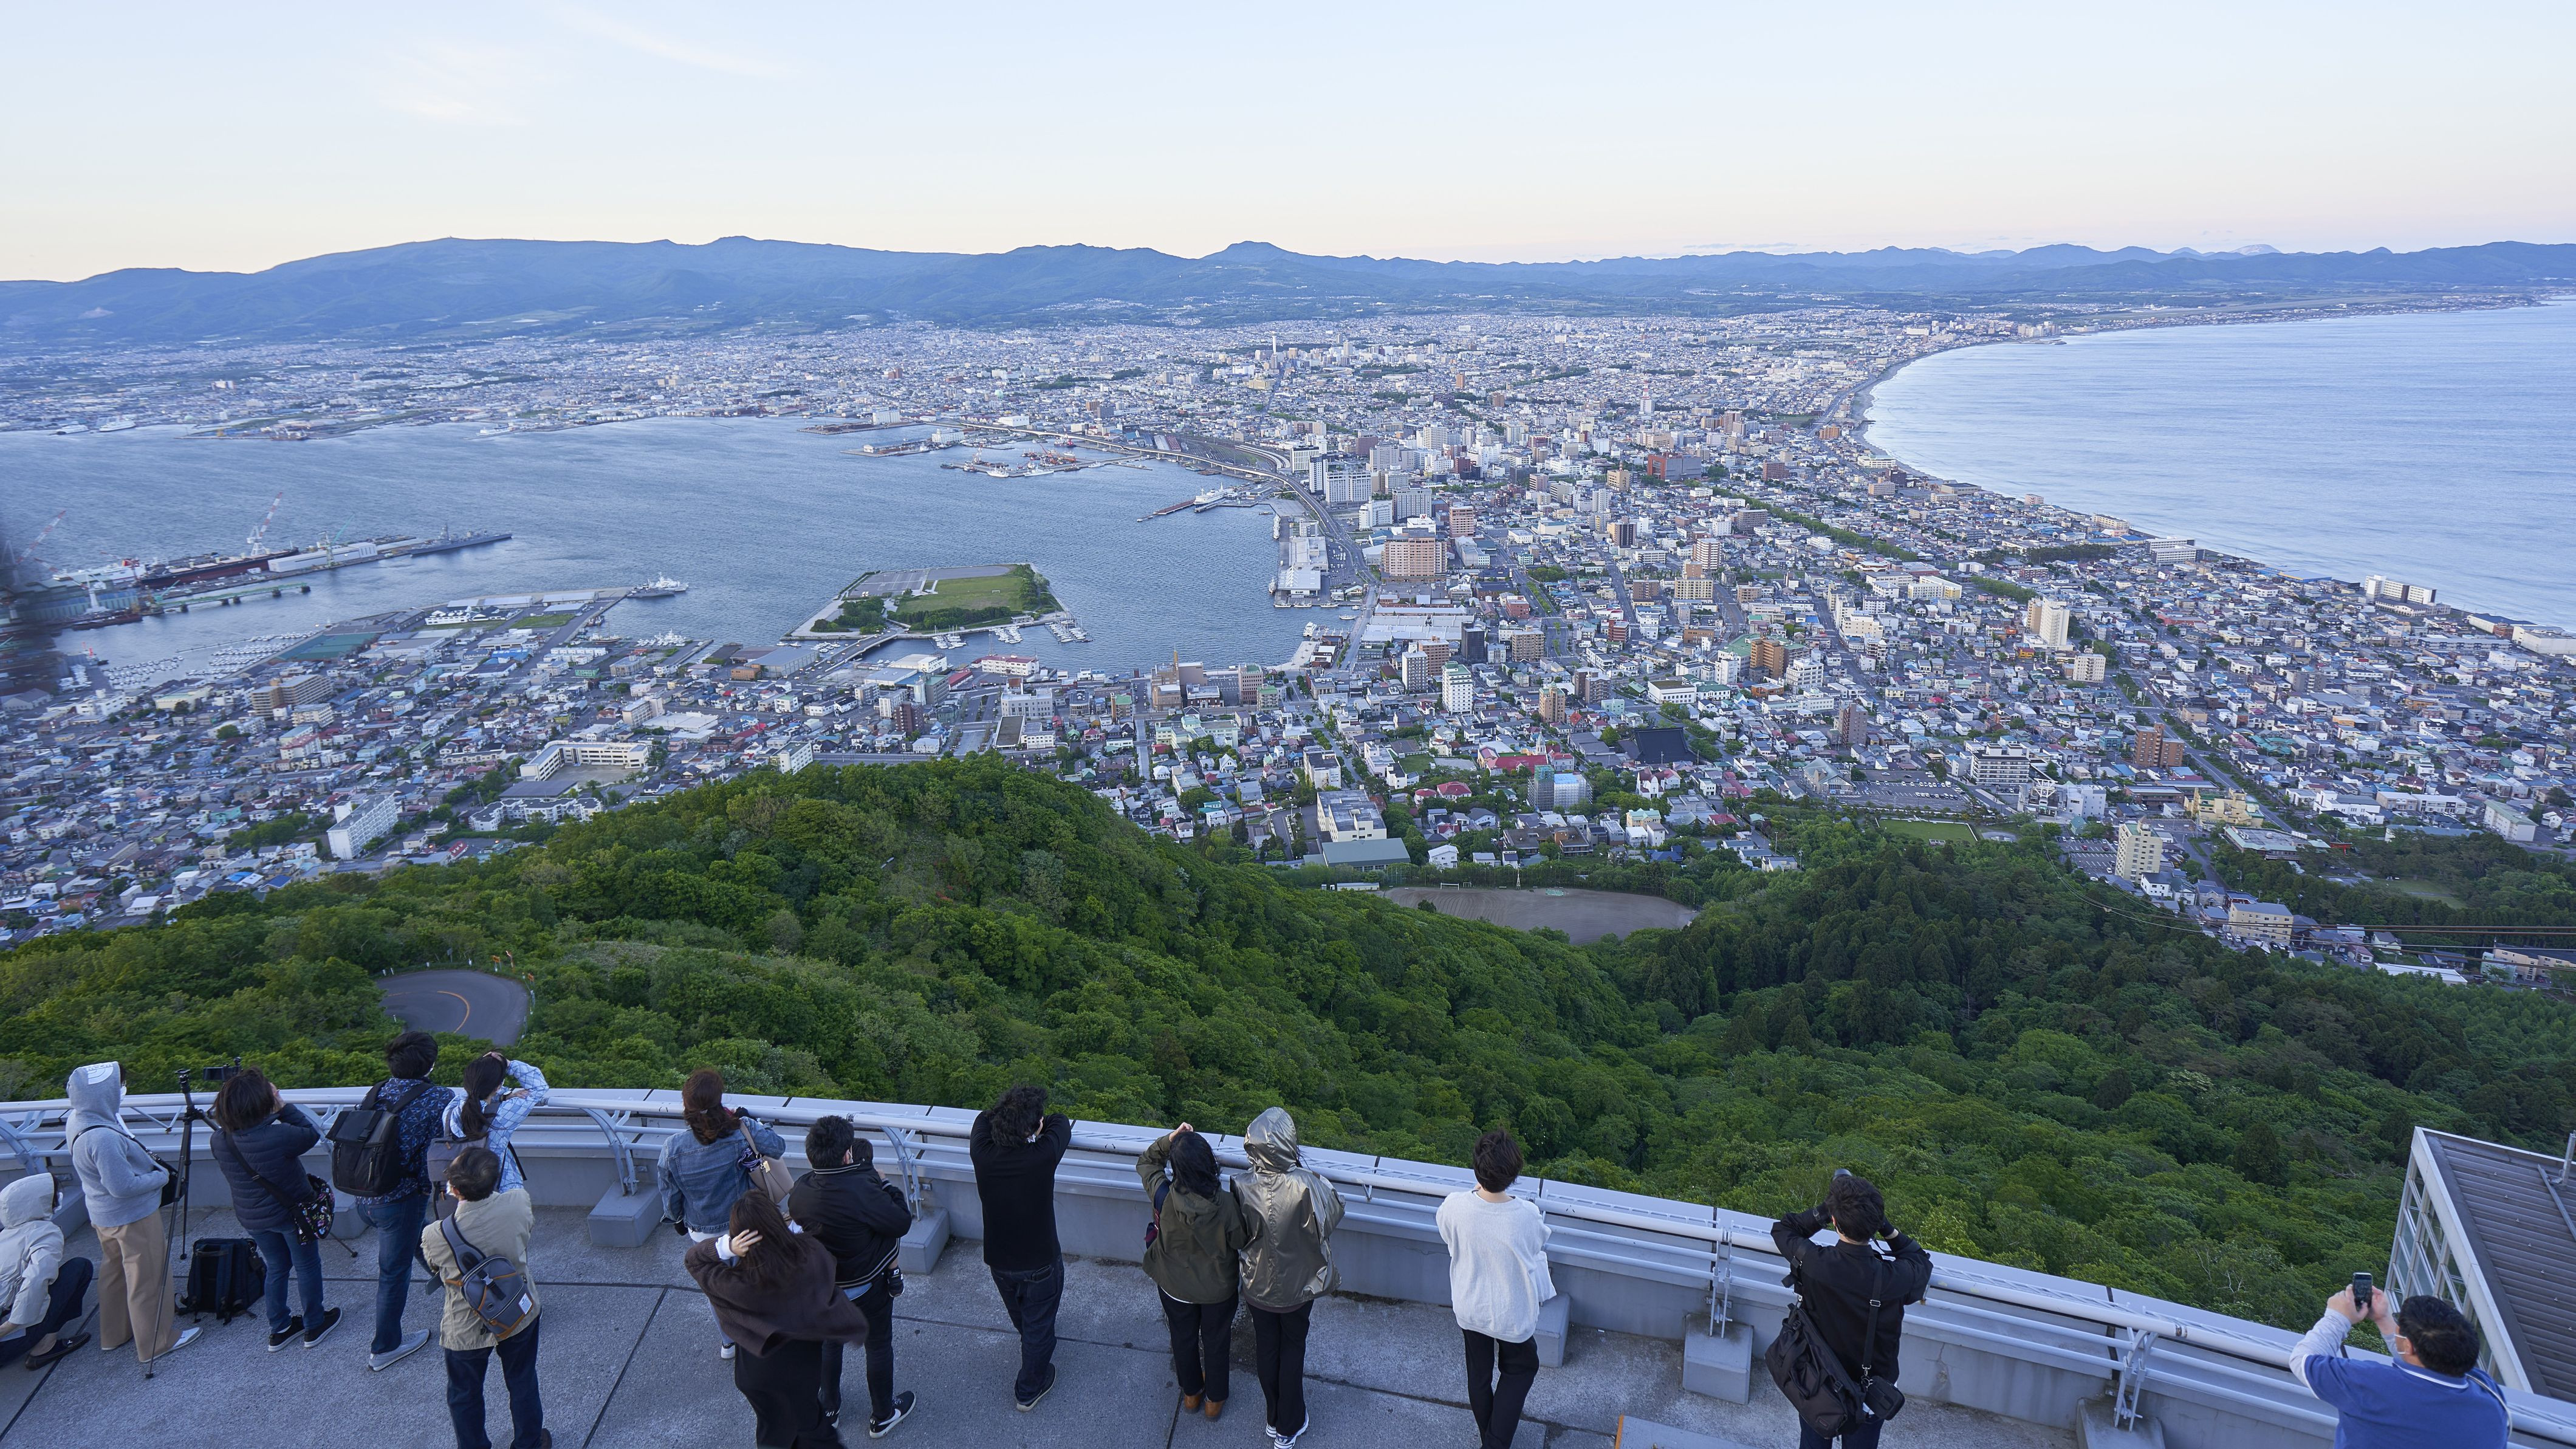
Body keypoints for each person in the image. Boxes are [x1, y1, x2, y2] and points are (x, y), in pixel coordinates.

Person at [687, 1190, 869, 1449]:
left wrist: (726, 1246)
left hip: (756, 1373)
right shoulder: (809, 1256)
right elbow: (826, 1259)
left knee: (772, 1429)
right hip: (800, 1365)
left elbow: (694, 1261)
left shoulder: (736, 1285)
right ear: (776, 1221)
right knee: (812, 1429)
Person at [1769, 1173, 1934, 1449]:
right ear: (1874, 1225)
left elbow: (1784, 1229)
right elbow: (1920, 1260)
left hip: (1817, 1379)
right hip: (1871, 1392)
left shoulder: (1815, 1263)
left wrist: (1827, 1209)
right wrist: (1886, 1227)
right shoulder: (1895, 1278)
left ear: (1835, 1221)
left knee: (1813, 1442)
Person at [787, 1115, 917, 1436]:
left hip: (825, 1290)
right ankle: (883, 1415)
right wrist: (885, 1184)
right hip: (867, 1285)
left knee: (830, 1345)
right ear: (848, 1155)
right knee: (878, 1345)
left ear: (811, 1158)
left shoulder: (801, 1191)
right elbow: (900, 1222)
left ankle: (829, 1408)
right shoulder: (862, 1188)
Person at [66, 1061, 199, 1365]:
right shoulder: (104, 1138)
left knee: (114, 1274)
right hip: (131, 1216)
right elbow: (123, 1187)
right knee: (147, 1279)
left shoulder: (77, 1120)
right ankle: (158, 1342)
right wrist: (160, 1178)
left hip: (102, 1214)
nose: (122, 1091)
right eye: (118, 1086)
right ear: (104, 1094)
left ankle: (114, 1335)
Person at [421, 1145, 550, 1449]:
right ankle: (529, 1443)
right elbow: (526, 1234)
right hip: (517, 1310)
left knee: (464, 1395)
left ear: (453, 1189)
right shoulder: (518, 1202)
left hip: (466, 1326)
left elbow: (434, 1266)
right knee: (522, 1380)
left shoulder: (436, 1234)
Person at [1231, 1106, 1343, 1447]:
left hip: (1257, 1285)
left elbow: (1239, 1233)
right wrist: (1322, 1182)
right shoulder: (1306, 1184)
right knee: (1292, 1349)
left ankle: (1273, 1417)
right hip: (1300, 1287)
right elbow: (1333, 1215)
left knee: (1267, 1348)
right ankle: (1289, 1426)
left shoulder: (1240, 1184)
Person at [208, 1067, 342, 1351]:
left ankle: (279, 1328)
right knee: (307, 1265)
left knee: (277, 1267)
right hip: (292, 1215)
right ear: (261, 1103)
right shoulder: (278, 1136)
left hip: (253, 1218)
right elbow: (311, 1133)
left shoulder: (220, 1140)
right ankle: (314, 1324)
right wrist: (282, 1107)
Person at [657, 1067, 787, 1360]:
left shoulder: (672, 1148)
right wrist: (752, 1121)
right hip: (745, 1223)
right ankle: (761, 1334)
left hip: (702, 1230)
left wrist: (676, 1219)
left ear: (686, 1107)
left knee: (716, 1288)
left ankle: (729, 1342)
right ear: (720, 1100)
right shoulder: (741, 1130)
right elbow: (778, 1148)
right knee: (755, 1277)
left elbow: (670, 1193)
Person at [1437, 1129, 1553, 1449]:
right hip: (1511, 1312)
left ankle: (1489, 1437)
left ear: (1477, 1170)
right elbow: (1535, 1247)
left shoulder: (1454, 1207)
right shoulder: (1527, 1215)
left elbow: (1447, 1233)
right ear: (1513, 1174)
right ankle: (1495, 1443)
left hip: (1470, 1307)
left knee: (1479, 1375)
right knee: (1521, 1368)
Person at [2289, 1286, 2509, 1448]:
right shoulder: (2489, 1393)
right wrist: (2384, 1321)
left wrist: (2338, 1317)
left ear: (2409, 1346)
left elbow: (2302, 1360)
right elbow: (2424, 1365)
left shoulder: (2371, 1384)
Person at [355, 1030, 457, 1371]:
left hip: (364, 1194)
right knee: (393, 1273)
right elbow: (439, 1148)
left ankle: (453, 1281)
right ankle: (385, 1347)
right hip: (399, 1200)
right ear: (430, 1064)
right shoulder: (438, 1097)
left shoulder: (377, 1091)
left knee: (417, 1237)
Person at [969, 1084, 1071, 1412]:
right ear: (1032, 1129)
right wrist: (1038, 1127)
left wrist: (1011, 1117)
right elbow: (1061, 1122)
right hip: (1040, 1261)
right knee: (1039, 1327)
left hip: (999, 1260)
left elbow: (982, 1119)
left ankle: (1032, 1343)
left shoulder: (983, 1154)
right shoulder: (1041, 1157)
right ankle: (1029, 1388)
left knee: (1024, 1319)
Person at [1140, 1123, 1247, 1422]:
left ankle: (1191, 1394)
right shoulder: (1226, 1204)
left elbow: (1146, 1162)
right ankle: (1215, 1400)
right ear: (1209, 1164)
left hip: (1174, 1286)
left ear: (1178, 1169)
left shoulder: (1163, 1195)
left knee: (1182, 1337)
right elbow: (1240, 1241)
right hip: (1217, 1291)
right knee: (1216, 1341)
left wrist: (1170, 1140)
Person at [0, 1173, 93, 1369]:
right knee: (80, 1267)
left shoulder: (5, 1236)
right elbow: (36, 1279)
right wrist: (10, 1326)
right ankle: (44, 1348)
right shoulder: (44, 1233)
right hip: (5, 1342)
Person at [440, 1052, 550, 1197]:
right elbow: (539, 1087)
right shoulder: (502, 1114)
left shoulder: (450, 1111)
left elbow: (470, 1094)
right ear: (498, 1087)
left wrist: (501, 1095)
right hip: (498, 1187)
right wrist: (509, 1065)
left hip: (459, 1188)